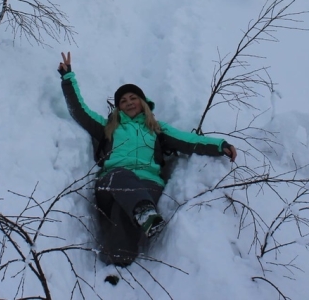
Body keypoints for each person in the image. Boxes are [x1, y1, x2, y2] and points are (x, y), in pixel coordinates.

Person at [57, 51, 237, 266]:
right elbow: (80, 111)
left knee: (124, 211)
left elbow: (188, 140)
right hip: (112, 182)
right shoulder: (109, 127)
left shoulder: (158, 129)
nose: (129, 102)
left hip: (147, 185)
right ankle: (144, 214)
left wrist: (219, 146)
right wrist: (68, 78)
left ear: (143, 102)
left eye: (133, 98)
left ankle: (119, 261)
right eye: (123, 100)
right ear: (118, 107)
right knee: (123, 178)